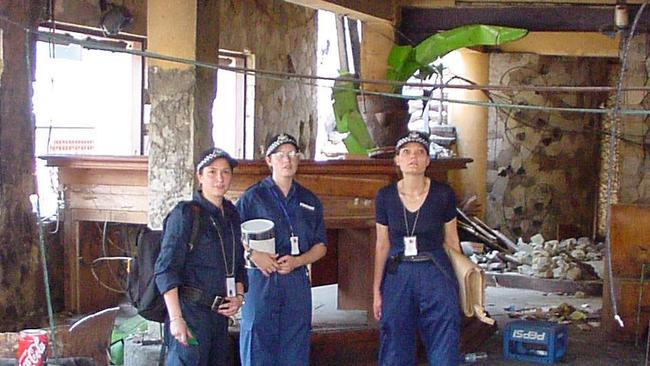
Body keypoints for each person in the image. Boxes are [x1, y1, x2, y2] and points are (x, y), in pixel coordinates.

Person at [236, 133, 327, 366]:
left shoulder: (309, 200)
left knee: (295, 346)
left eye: (292, 154)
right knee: (257, 343)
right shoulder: (252, 197)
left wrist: (298, 261)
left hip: (295, 281)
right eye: (280, 155)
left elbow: (320, 246)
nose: (287, 160)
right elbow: (232, 235)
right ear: (269, 160)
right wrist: (253, 255)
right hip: (260, 279)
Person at [372, 131, 462, 366]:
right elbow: (382, 245)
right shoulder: (385, 196)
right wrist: (376, 291)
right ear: (397, 159)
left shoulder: (443, 194)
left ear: (428, 160)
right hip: (398, 272)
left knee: (444, 333)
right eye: (407, 152)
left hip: (435, 271)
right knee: (394, 336)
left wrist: (463, 285)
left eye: (420, 152)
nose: (414, 157)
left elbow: (452, 242)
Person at [154, 147, 247, 366]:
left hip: (219, 317)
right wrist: (176, 319)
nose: (220, 178)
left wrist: (239, 297)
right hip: (190, 313)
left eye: (225, 172)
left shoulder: (232, 214)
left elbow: (239, 264)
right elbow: (166, 270)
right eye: (212, 172)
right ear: (200, 176)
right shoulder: (186, 215)